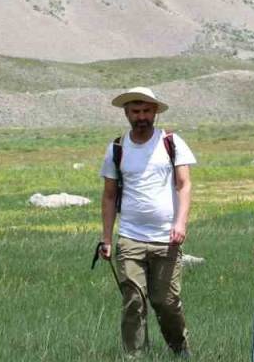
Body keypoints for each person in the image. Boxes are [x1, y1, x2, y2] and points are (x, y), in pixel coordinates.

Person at [98, 87, 196, 357]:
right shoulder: (117, 148)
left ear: (155, 112)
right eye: (135, 112)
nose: (141, 116)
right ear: (127, 114)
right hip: (130, 236)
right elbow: (108, 196)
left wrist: (181, 224)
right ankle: (134, 355)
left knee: (166, 302)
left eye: (146, 111)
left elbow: (184, 185)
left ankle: (180, 351)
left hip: (167, 236)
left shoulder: (172, 142)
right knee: (133, 302)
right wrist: (106, 238)